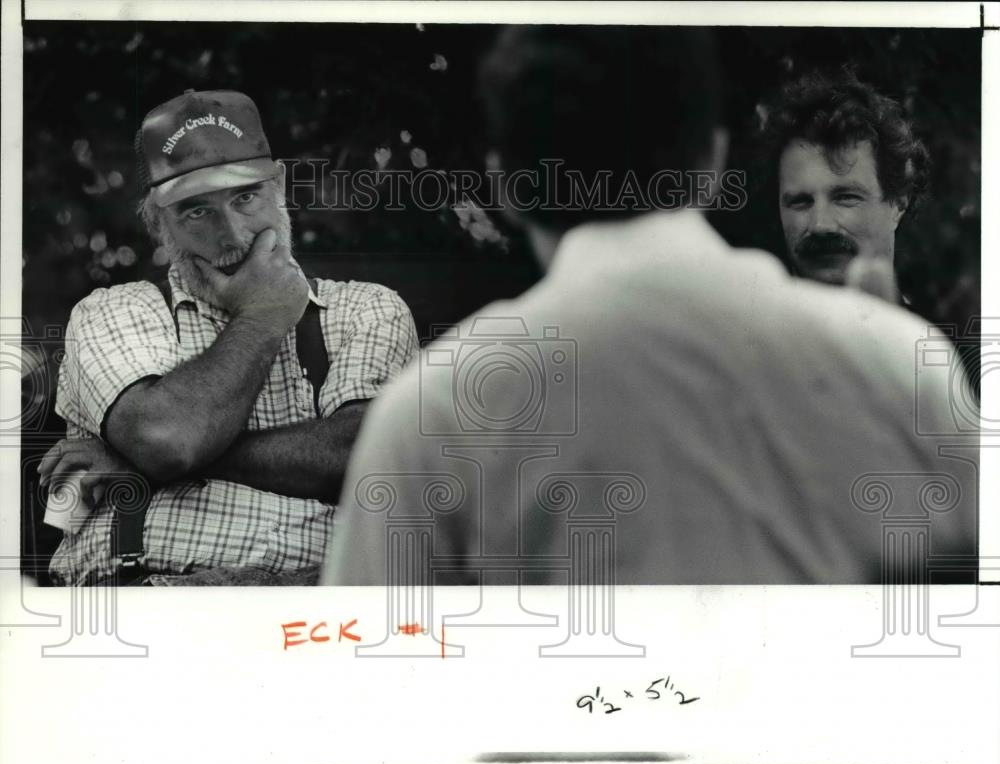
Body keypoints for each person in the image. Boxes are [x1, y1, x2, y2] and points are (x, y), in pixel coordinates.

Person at [321, 26, 974, 587]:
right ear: (714, 162)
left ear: (505, 186)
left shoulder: (434, 409)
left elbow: (372, 690)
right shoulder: (900, 365)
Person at [41, 89, 419, 585]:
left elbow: (362, 457)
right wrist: (262, 315)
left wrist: (137, 464)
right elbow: (169, 441)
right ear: (158, 219)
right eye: (197, 211)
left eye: (246, 196)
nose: (234, 235)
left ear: (278, 184)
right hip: (152, 597)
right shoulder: (114, 310)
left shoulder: (366, 307)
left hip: (320, 603)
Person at [758, 70, 930, 298]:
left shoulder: (933, 334)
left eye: (845, 197)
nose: (820, 225)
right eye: (800, 202)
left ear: (898, 203)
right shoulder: (747, 333)